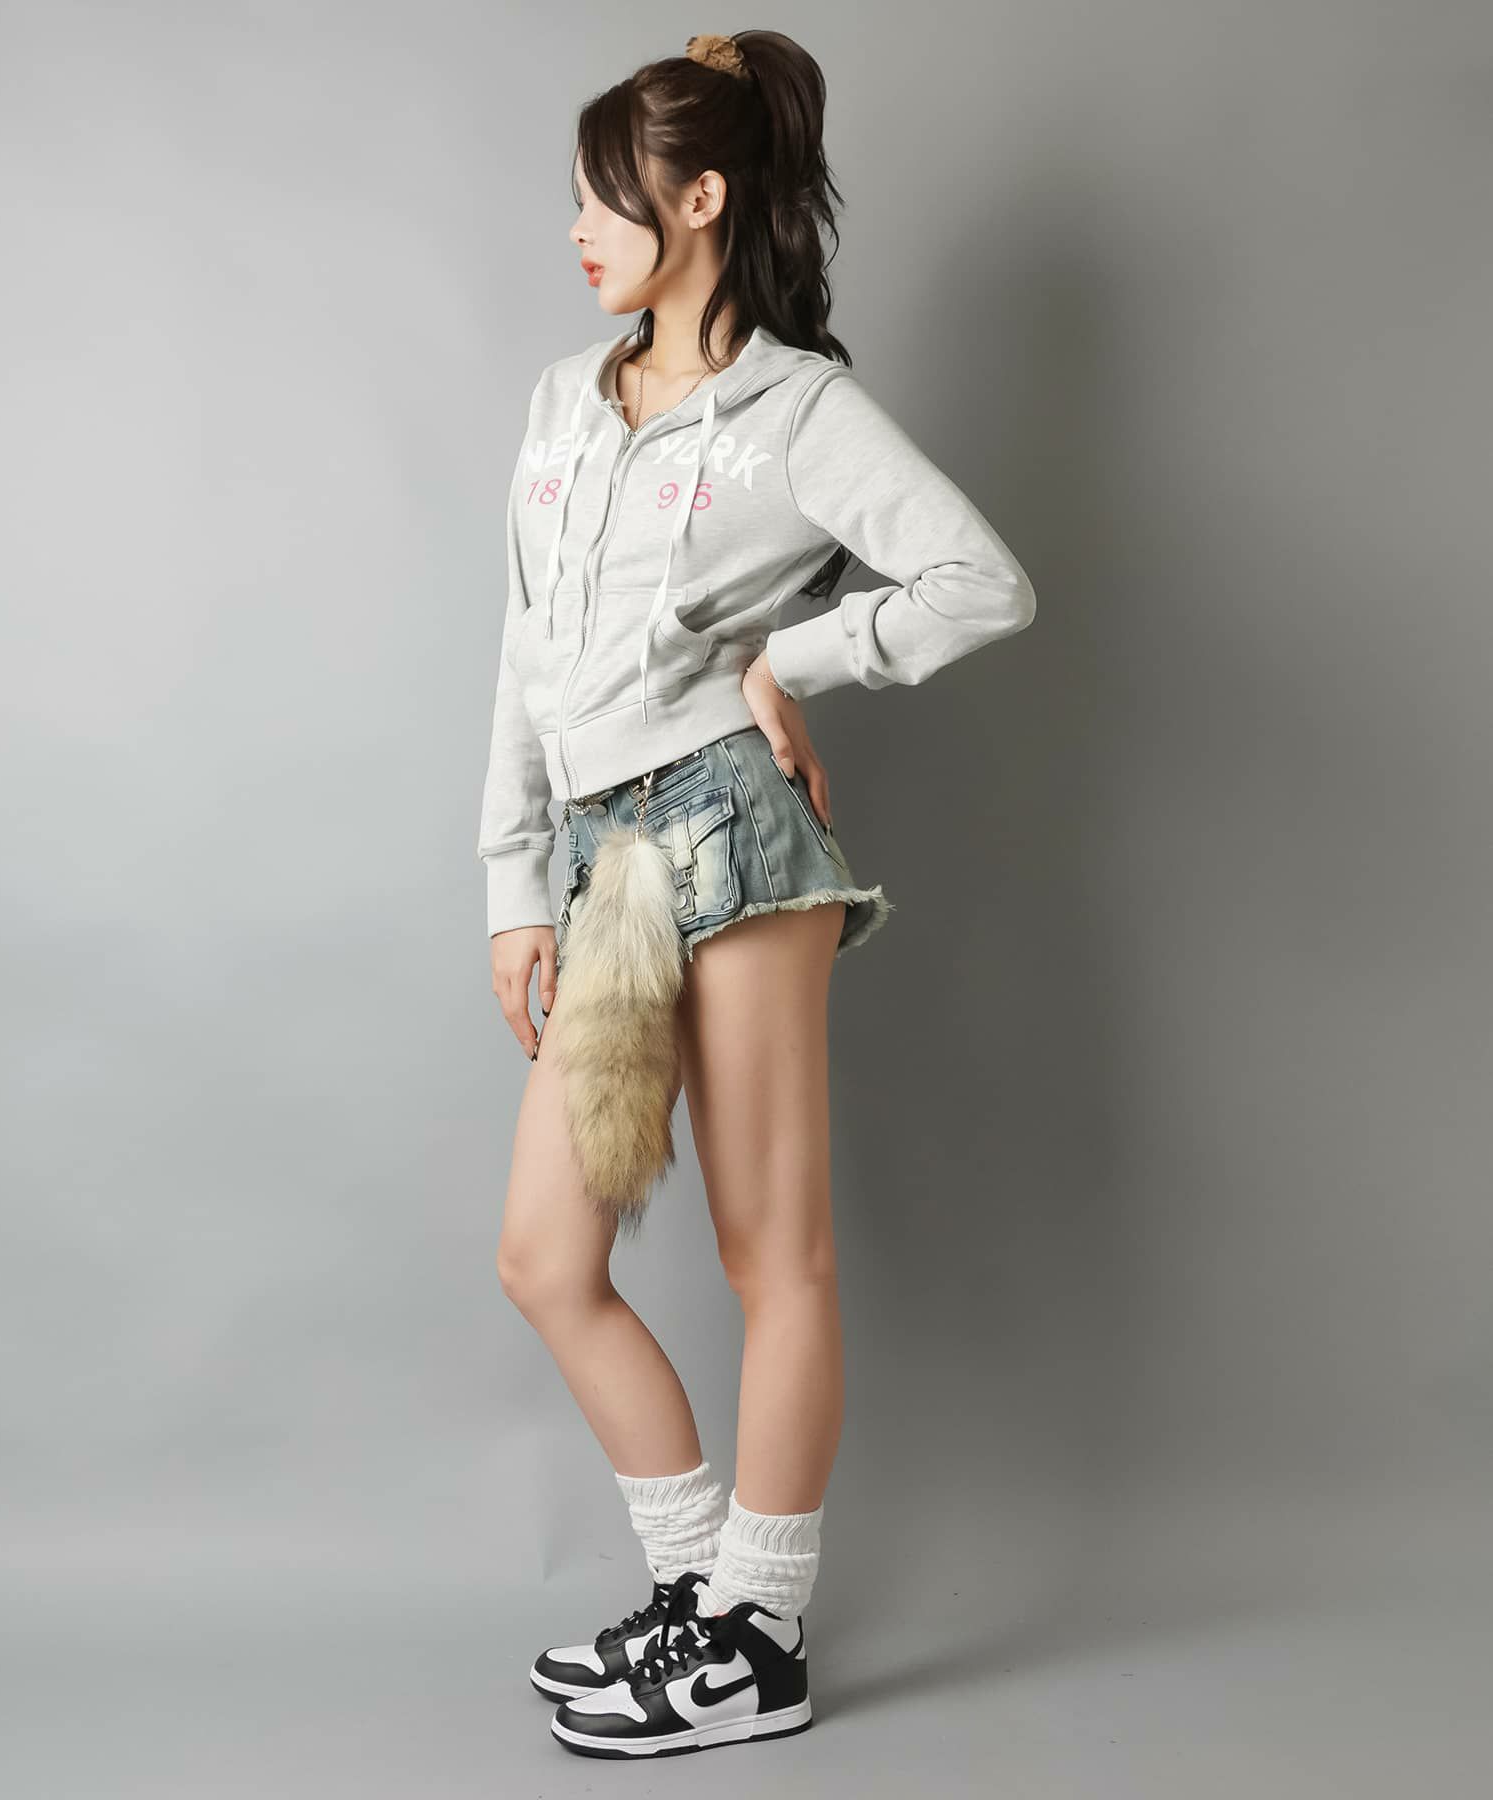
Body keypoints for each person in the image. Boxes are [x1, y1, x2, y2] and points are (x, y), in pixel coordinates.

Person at [479, 30, 1036, 1760]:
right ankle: (696, 1592)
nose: (578, 227)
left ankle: (757, 1637)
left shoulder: (798, 413)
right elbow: (525, 655)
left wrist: (794, 658)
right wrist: (513, 881)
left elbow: (980, 579)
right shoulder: (563, 406)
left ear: (702, 199)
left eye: (605, 197)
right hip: (601, 858)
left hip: (734, 835)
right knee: (545, 1257)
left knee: (769, 1250)